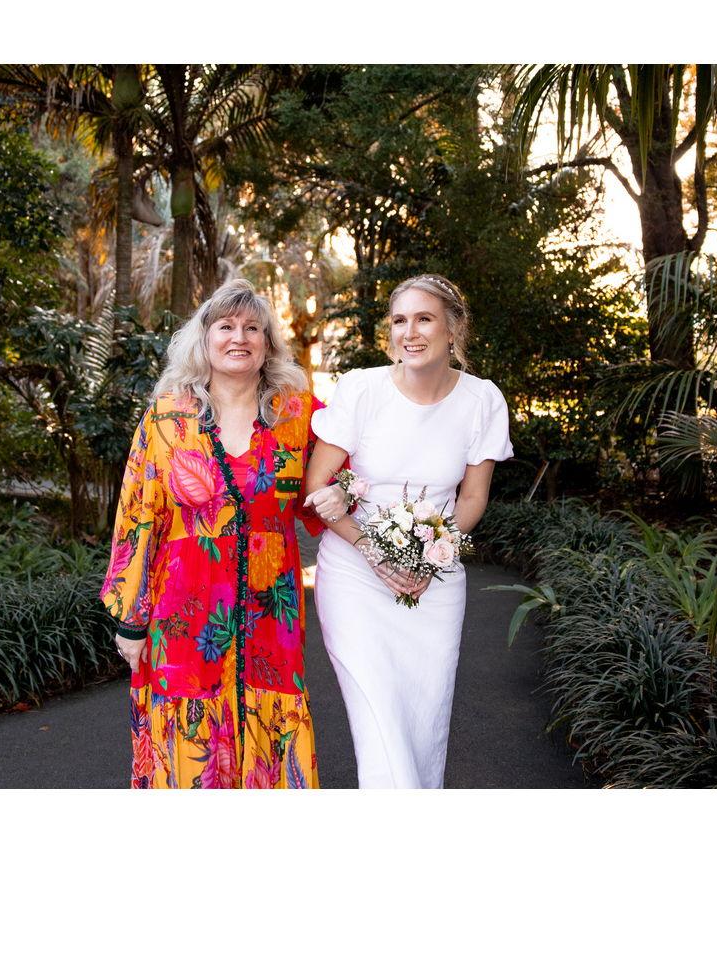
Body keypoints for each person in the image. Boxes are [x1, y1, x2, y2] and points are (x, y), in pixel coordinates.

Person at [101, 279, 325, 789]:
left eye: (252, 328)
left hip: (272, 614)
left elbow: (338, 489)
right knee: (189, 741)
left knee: (273, 724)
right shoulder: (166, 418)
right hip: (183, 613)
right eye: (225, 326)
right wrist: (132, 622)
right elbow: (137, 519)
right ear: (204, 339)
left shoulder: (299, 415)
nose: (238, 337)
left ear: (268, 342)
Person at [304, 273, 512, 788]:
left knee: (424, 718)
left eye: (424, 319)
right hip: (354, 574)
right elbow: (317, 482)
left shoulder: (482, 401)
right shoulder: (361, 389)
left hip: (433, 585)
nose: (410, 332)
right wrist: (373, 550)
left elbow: (472, 497)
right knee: (378, 715)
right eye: (400, 320)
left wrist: (432, 557)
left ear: (452, 330)